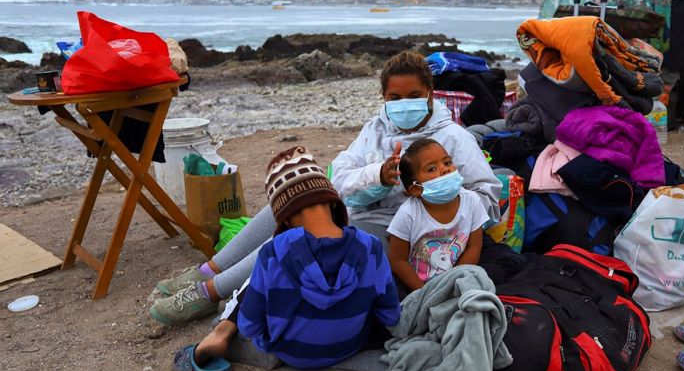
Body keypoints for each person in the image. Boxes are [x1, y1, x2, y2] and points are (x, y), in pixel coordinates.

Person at [151, 51, 500, 325]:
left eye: (414, 95)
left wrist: (441, 195)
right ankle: (208, 270)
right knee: (289, 202)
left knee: (305, 232)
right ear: (383, 96)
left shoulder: (453, 136)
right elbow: (341, 176)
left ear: (429, 94)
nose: (404, 103)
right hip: (360, 206)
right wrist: (379, 175)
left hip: (400, 228)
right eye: (395, 96)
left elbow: (487, 193)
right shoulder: (374, 129)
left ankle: (207, 293)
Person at [171, 146, 401, 371]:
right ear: (333, 203)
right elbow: (389, 313)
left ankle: (221, 332)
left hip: (291, 351)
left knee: (256, 289)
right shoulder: (370, 246)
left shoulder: (274, 252)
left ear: (286, 217)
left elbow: (250, 325)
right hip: (348, 346)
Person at [387, 138, 489, 293]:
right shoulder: (408, 214)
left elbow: (474, 248)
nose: (445, 169)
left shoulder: (472, 201)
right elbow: (397, 260)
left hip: (459, 277)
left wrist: (454, 283)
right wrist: (425, 293)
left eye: (447, 163)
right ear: (415, 190)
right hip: (418, 285)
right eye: (431, 169)